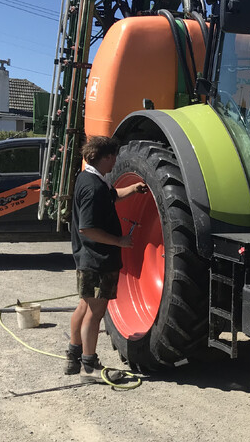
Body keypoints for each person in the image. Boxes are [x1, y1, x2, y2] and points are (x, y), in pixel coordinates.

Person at [63, 136, 147, 383]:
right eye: (114, 157)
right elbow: (87, 228)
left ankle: (73, 356)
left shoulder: (87, 179)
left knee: (83, 306)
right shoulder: (93, 187)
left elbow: (111, 196)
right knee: (95, 312)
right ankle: (89, 365)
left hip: (86, 257)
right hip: (98, 260)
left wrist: (132, 189)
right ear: (106, 157)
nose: (115, 162)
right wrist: (119, 241)